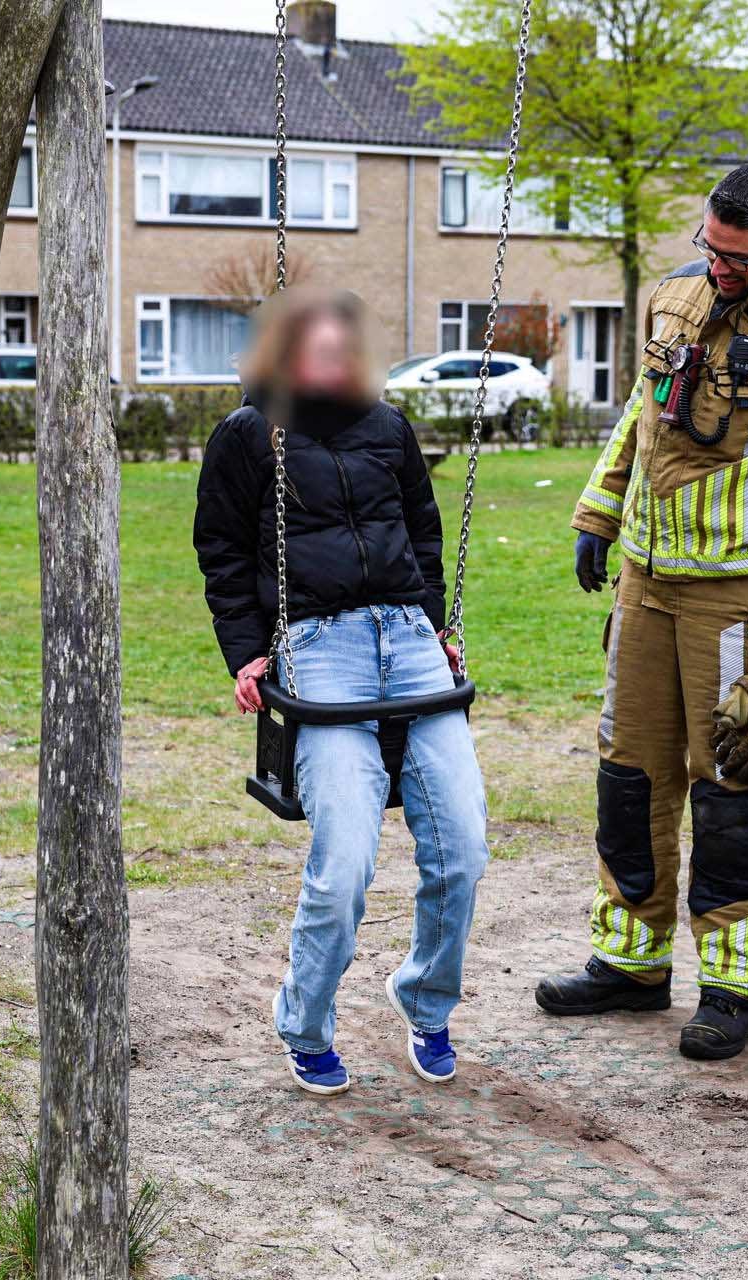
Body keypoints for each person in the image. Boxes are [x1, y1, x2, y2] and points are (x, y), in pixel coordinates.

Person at [535, 162, 748, 1061]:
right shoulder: (677, 294)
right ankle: (630, 961)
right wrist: (598, 512)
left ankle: (733, 987)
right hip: (648, 587)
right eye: (710, 250)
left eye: (738, 258)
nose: (719, 269)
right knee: (629, 777)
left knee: (735, 786)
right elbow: (642, 420)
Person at [193, 288, 489, 1096]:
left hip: (407, 638)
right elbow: (220, 548)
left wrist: (433, 619)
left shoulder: (387, 427)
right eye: (313, 350)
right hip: (319, 647)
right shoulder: (251, 436)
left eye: (340, 349)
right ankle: (306, 1021)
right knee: (346, 860)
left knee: (462, 847)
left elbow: (423, 529)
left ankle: (425, 999)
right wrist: (248, 654)